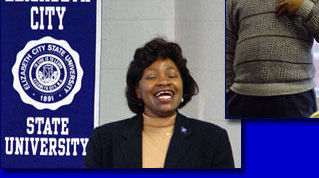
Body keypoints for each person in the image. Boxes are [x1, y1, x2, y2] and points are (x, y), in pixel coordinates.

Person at [84, 38, 235, 168]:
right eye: (152, 77)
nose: (164, 82)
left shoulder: (212, 139)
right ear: (137, 90)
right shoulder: (105, 140)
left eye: (171, 75)